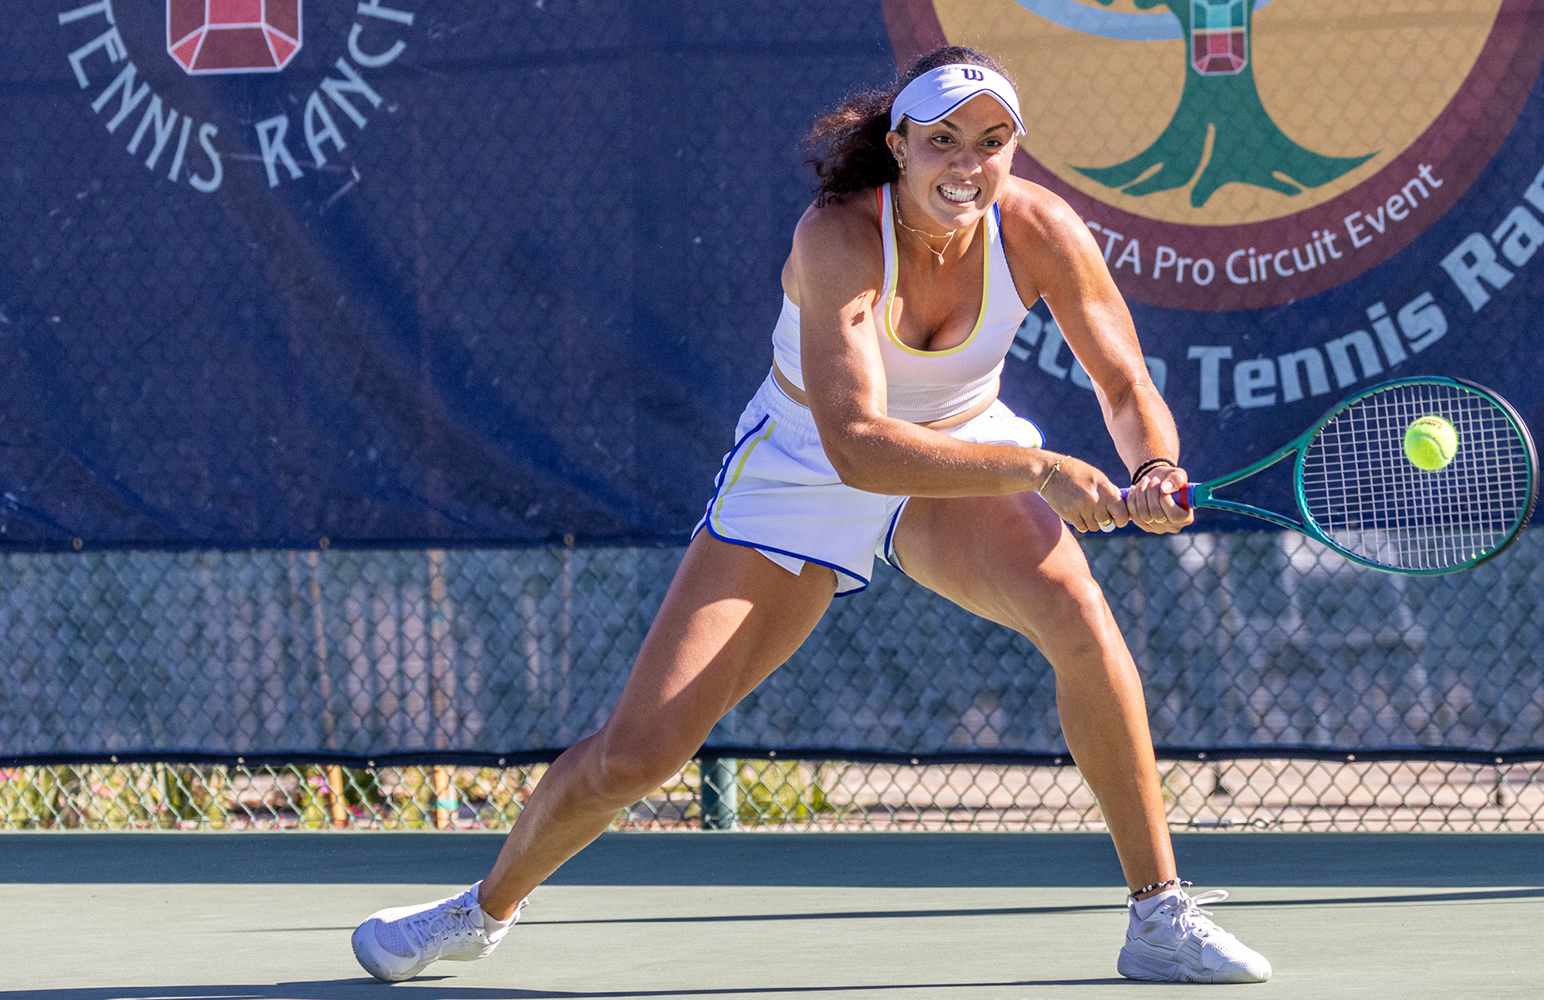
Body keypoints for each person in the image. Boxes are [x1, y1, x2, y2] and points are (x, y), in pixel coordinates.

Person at [350, 46, 1271, 986]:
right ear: (899, 146)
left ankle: (1158, 916)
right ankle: (480, 909)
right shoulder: (835, 237)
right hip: (805, 467)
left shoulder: (1038, 227)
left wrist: (1153, 462)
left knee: (1082, 623)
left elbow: (1122, 380)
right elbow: (858, 446)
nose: (969, 164)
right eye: (943, 141)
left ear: (1015, 151)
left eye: (992, 143)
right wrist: (1040, 468)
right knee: (638, 757)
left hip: (962, 443)